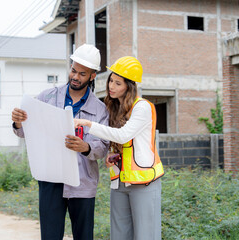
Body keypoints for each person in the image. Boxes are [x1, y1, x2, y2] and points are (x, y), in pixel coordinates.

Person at [11, 44, 109, 240]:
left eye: (82, 73)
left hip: (83, 182)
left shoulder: (99, 110)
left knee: (83, 236)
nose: (75, 76)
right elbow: (24, 133)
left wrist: (86, 147)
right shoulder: (46, 97)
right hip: (51, 178)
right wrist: (18, 122)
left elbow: (103, 147)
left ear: (92, 76)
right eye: (73, 70)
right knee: (50, 236)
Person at [74, 56, 164, 240]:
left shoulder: (142, 108)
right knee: (119, 235)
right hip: (119, 181)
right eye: (110, 81)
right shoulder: (113, 108)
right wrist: (111, 154)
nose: (111, 87)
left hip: (144, 182)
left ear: (129, 86)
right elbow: (117, 141)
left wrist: (88, 123)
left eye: (118, 83)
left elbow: (124, 135)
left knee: (146, 235)